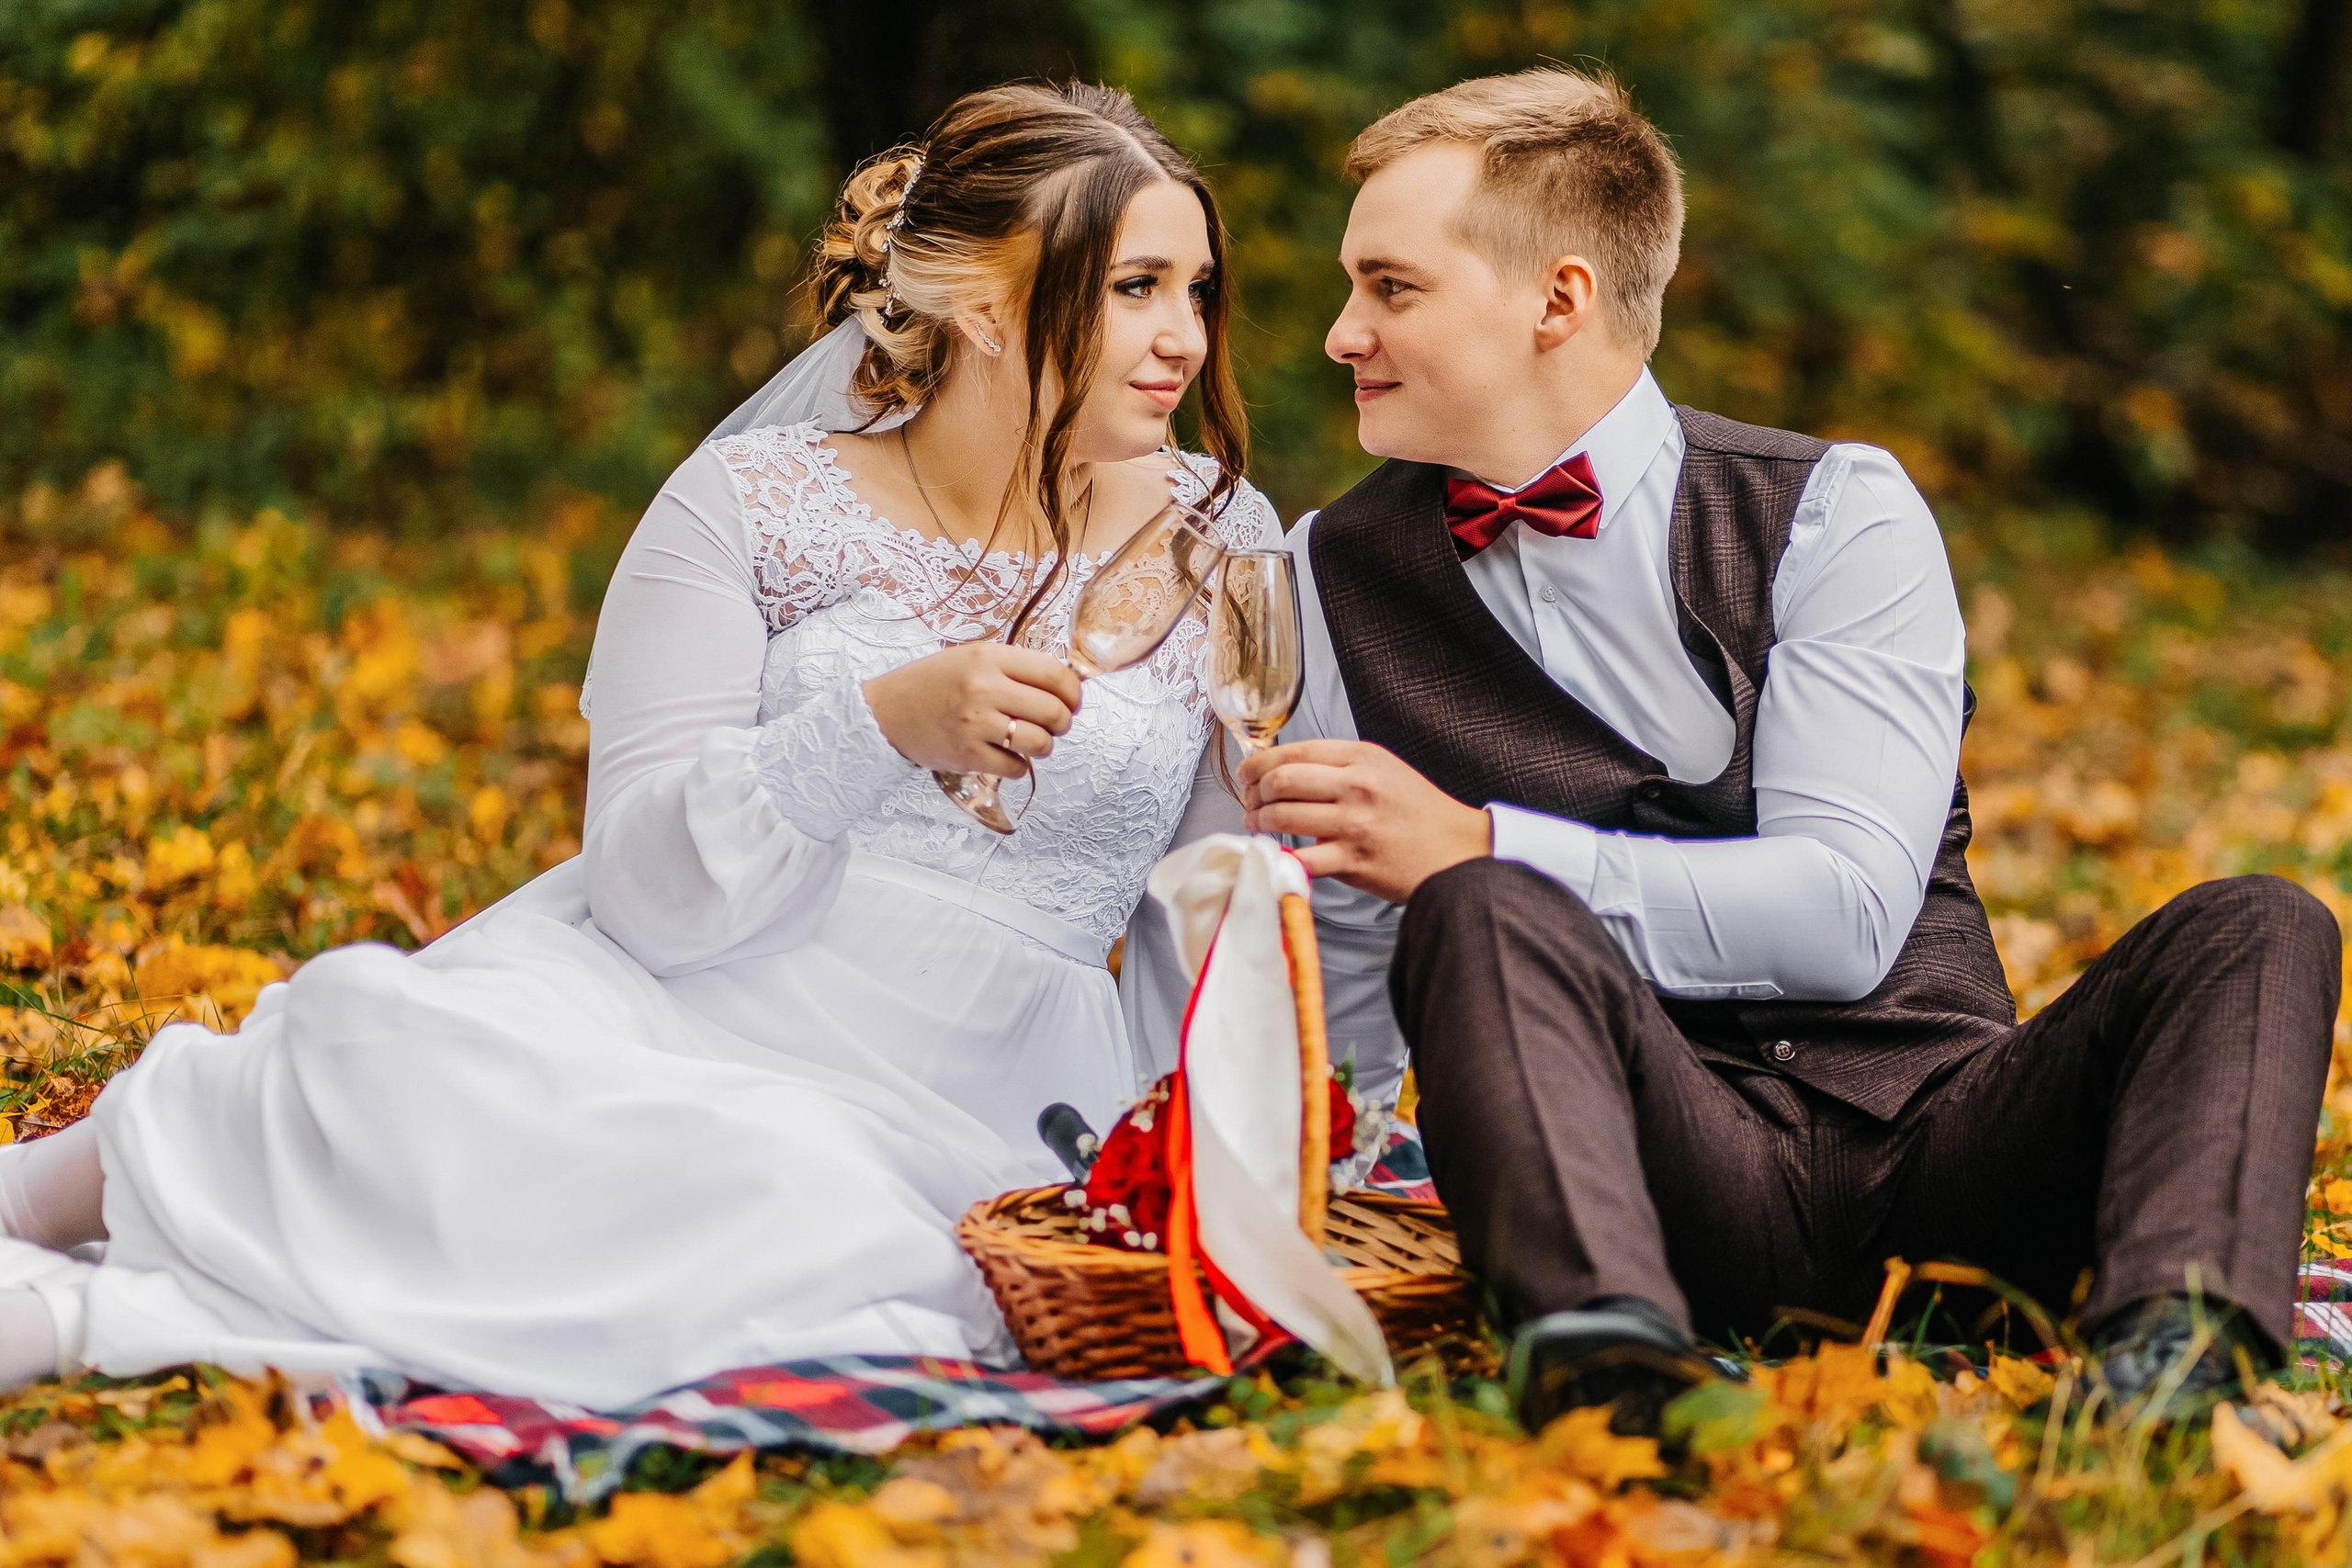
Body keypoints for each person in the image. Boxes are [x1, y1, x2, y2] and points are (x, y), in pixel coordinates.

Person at [0, 82, 1277, 1406]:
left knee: (784, 1210)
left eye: (1197, 289)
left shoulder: (1223, 544)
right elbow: (647, 897)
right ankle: (46, 1215)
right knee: (399, 1047)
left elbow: (1217, 912)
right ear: (982, 302)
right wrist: (881, 723)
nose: (1183, 336)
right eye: (1137, 288)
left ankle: (99, 1311)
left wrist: (1222, 1130)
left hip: (987, 1084)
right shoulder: (749, 505)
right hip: (681, 995)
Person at [1124, 67, 2340, 1434]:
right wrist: (1247, 1214)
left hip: (1952, 1160)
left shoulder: (1835, 513)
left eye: (1392, 288)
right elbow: (1317, 958)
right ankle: (1607, 1367)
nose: (1342, 333)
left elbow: (1846, 916)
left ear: (1559, 300)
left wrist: (1481, 840)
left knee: (2259, 924)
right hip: (1655, 1187)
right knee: (1477, 913)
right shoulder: (1327, 573)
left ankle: (2170, 1365)